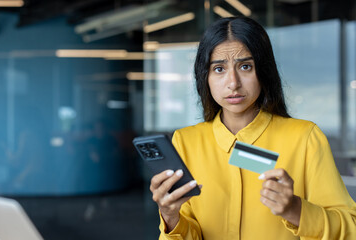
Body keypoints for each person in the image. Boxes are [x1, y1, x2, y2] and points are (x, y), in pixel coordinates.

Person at [149, 16, 356, 239]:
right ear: (205, 77)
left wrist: (296, 210)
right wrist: (170, 218)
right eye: (219, 69)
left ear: (263, 72)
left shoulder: (305, 138)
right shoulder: (186, 141)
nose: (233, 83)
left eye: (245, 66)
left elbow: (351, 228)